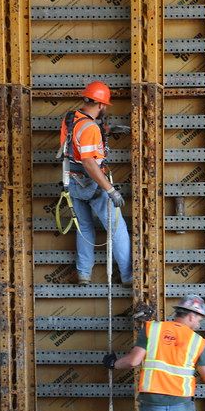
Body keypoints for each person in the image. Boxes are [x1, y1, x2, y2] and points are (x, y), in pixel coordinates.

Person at [59, 80, 132, 286]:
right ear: (100, 104)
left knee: (84, 227)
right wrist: (110, 190)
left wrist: (105, 132)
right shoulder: (90, 127)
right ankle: (127, 276)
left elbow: (76, 141)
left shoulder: (70, 119)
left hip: (72, 183)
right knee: (117, 227)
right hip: (93, 184)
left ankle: (83, 273)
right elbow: (89, 163)